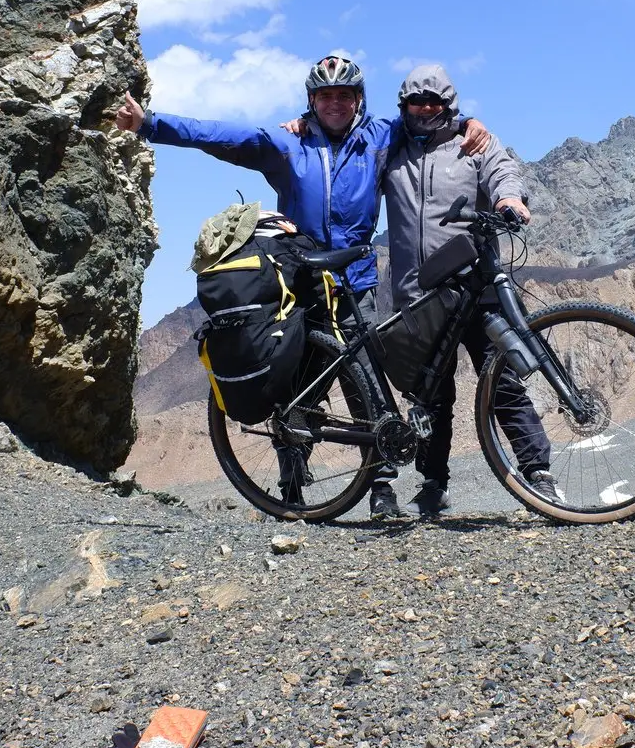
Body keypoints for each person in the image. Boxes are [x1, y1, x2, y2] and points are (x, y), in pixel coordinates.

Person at [115, 54, 490, 517]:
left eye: (344, 95)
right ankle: (291, 486)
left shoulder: (379, 138)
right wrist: (150, 124)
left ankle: (381, 487)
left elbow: (424, 118)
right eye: (325, 95)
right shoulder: (287, 144)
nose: (335, 103)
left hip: (355, 281)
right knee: (297, 387)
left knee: (366, 386)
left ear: (359, 100)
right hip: (300, 281)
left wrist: (468, 122)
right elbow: (223, 135)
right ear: (312, 101)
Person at [381, 63, 559, 517]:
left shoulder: (473, 142)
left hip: (475, 287)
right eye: (415, 103)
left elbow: (503, 172)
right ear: (403, 107)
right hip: (418, 295)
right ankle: (432, 484)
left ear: (449, 106)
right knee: (430, 395)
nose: (424, 110)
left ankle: (538, 474)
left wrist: (508, 198)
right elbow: (348, 136)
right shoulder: (390, 149)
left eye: (434, 103)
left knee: (502, 382)